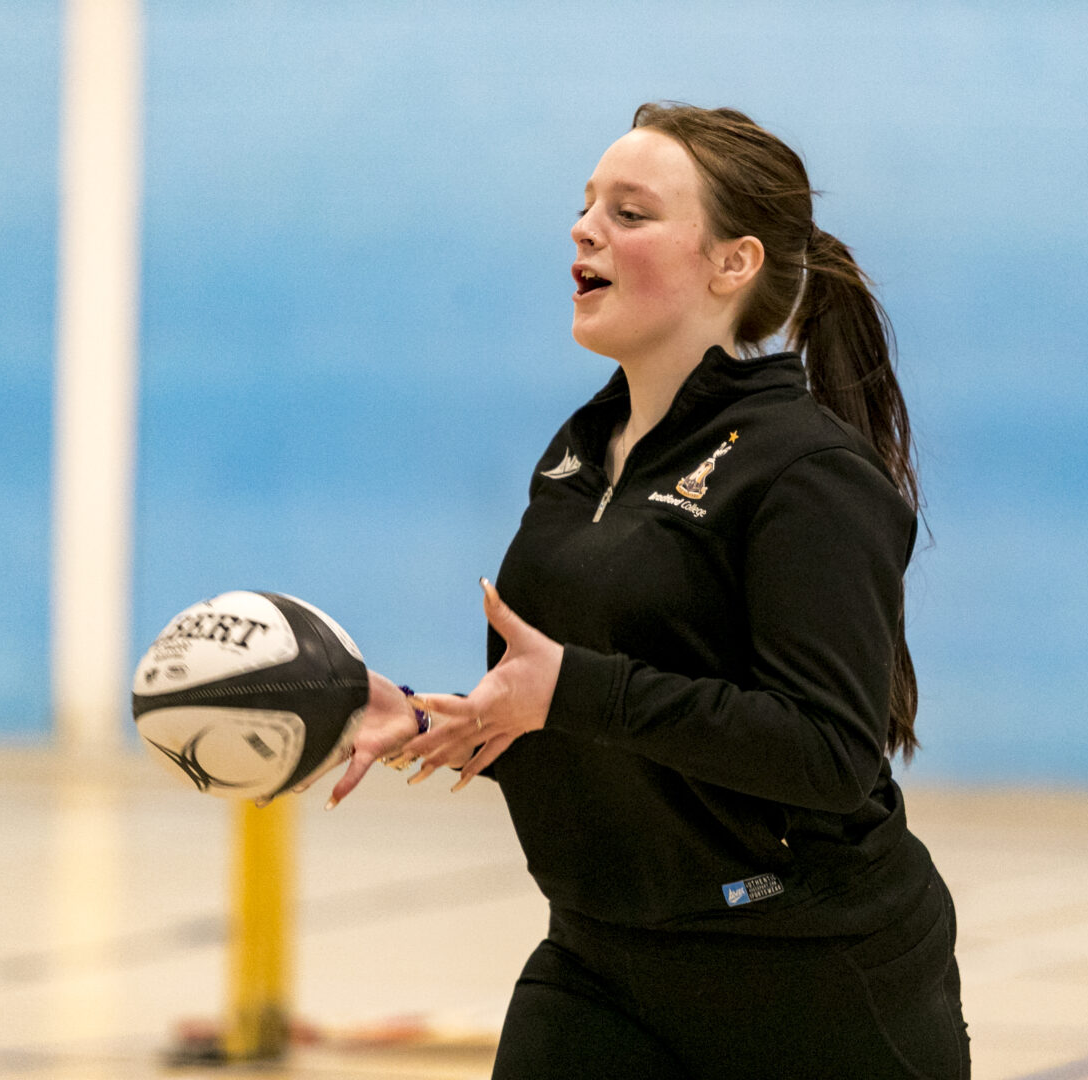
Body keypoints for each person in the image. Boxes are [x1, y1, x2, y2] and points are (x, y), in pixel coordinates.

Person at [303, 103, 967, 1079]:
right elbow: (578, 708)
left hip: (809, 975)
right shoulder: (580, 453)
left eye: (630, 212)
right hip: (602, 959)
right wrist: (446, 721)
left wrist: (571, 691)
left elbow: (826, 753)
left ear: (732, 264)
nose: (584, 229)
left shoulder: (808, 474)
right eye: (585, 206)